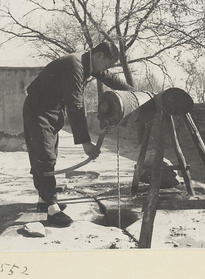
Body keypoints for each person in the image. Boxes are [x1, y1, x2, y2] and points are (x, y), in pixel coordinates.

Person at [23, 42, 135, 227]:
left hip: (52, 110)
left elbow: (110, 78)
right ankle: (52, 210)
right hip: (38, 111)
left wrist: (133, 92)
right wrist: (85, 142)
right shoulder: (74, 64)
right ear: (99, 56)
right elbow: (76, 105)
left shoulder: (88, 62)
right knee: (44, 156)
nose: (105, 69)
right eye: (106, 64)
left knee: (49, 155)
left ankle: (44, 202)